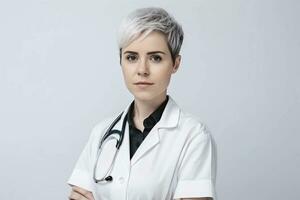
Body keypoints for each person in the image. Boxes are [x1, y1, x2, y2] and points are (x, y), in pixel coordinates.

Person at [67, 7, 217, 200]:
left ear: (175, 64)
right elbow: (78, 196)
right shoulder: (101, 133)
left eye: (155, 58)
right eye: (131, 57)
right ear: (120, 61)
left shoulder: (194, 136)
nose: (142, 70)